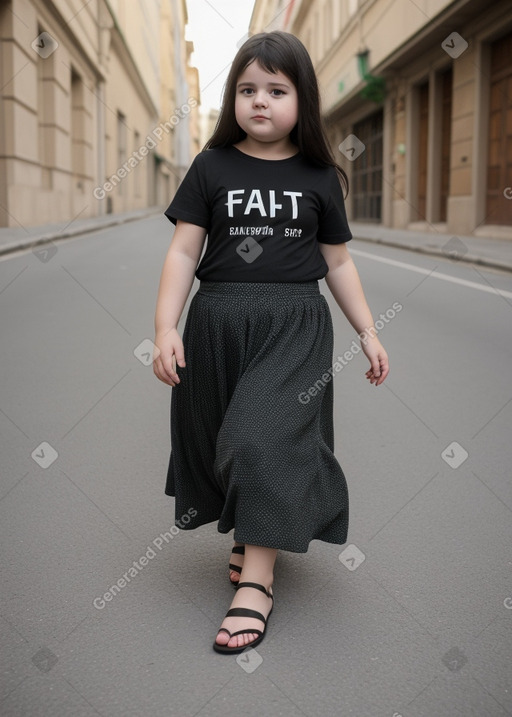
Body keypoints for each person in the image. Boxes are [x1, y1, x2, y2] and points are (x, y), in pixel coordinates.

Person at [153, 30, 389, 655]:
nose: (260, 101)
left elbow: (337, 264)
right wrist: (164, 327)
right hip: (218, 324)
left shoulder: (318, 175)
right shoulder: (211, 167)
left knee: (262, 437)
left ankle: (257, 579)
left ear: (301, 100)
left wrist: (367, 332)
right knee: (222, 435)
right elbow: (183, 250)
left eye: (276, 90)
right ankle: (254, 529)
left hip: (294, 327)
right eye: (247, 89)